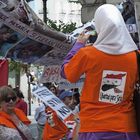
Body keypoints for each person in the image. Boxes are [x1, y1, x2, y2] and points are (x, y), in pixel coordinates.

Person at [60, 4, 140, 140]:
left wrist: (78, 45)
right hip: (126, 127)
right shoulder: (135, 55)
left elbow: (66, 73)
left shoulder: (88, 54)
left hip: (94, 127)